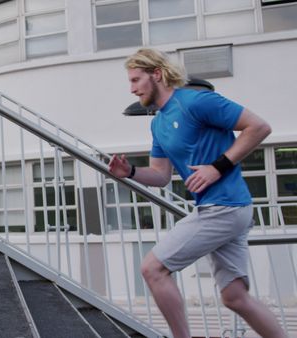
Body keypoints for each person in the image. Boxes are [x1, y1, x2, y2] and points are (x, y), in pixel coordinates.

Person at [109, 48, 286, 338]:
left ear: (157, 74)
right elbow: (161, 176)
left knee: (152, 269)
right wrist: (129, 173)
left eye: (136, 80)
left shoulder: (196, 101)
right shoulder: (158, 123)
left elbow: (259, 127)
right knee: (235, 297)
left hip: (224, 207)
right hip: (223, 209)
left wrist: (217, 167)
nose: (132, 89)